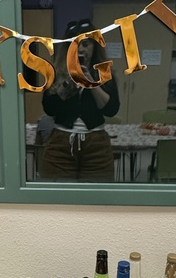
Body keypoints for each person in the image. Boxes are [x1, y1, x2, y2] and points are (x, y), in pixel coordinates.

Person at [40, 20, 120, 181]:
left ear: (94, 46)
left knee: (97, 193)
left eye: (86, 44)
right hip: (60, 143)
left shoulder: (104, 72)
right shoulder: (55, 73)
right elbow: (49, 109)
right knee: (56, 192)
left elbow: (111, 110)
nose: (81, 49)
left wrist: (91, 83)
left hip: (97, 145)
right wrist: (66, 83)